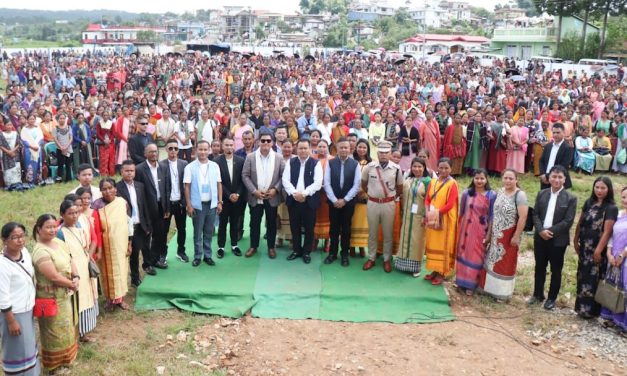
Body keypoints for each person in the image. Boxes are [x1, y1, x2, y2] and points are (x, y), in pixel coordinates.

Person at [31, 214, 79, 373]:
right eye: (48, 227)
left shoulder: (58, 242)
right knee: (52, 332)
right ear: (39, 229)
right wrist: (72, 284)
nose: (52, 230)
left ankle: (66, 359)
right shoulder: (40, 251)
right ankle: (53, 367)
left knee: (66, 329)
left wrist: (76, 276)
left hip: (64, 295)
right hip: (49, 298)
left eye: (54, 226)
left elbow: (71, 260)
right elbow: (53, 276)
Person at [530, 165, 577, 310]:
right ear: (549, 178)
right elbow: (535, 214)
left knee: (556, 270)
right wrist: (541, 230)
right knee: (539, 267)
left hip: (558, 241)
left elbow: (568, 221)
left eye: (560, 177)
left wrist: (548, 231)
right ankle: (538, 294)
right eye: (554, 176)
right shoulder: (542, 194)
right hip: (540, 238)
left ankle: (551, 298)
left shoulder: (571, 198)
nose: (556, 180)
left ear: (565, 179)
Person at [478, 169, 528, 300]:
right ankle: (487, 288)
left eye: (511, 178)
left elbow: (523, 218)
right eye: (505, 178)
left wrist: (516, 236)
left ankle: (501, 293)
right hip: (496, 234)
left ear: (516, 180)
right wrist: (489, 234)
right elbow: (493, 215)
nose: (508, 181)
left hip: (509, 234)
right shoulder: (499, 192)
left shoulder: (520, 195)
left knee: (505, 262)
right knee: (491, 261)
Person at [573, 176, 617, 319]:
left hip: (597, 249)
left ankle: (592, 311)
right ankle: (581, 308)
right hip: (584, 247)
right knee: (582, 276)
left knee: (594, 278)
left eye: (603, 188)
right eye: (597, 187)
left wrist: (598, 250)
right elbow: (580, 222)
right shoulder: (589, 202)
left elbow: (607, 231)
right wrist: (575, 239)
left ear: (608, 189)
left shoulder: (611, 208)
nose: (599, 190)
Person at [0, 222, 40, 376]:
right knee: (16, 350)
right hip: (13, 314)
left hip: (27, 310)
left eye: (22, 236)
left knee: (28, 347)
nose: (20, 240)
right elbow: (2, 296)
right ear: (4, 240)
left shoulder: (25, 252)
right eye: (14, 237)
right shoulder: (2, 264)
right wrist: (11, 321)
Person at [56, 200, 98, 342]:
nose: (74, 216)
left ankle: (84, 332)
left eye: (76, 213)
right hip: (74, 271)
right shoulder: (60, 234)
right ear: (62, 214)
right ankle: (76, 333)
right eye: (70, 213)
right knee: (76, 300)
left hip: (84, 267)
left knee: (86, 297)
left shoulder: (79, 226)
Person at [362, 140, 403, 273]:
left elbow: (400, 187)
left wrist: (391, 197)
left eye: (386, 153)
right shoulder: (369, 167)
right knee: (372, 232)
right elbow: (364, 184)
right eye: (381, 153)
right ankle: (372, 258)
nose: (384, 155)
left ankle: (386, 259)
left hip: (388, 204)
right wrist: (372, 194)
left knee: (388, 233)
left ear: (390, 153)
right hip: (373, 202)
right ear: (377, 153)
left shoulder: (396, 169)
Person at [242, 130, 285, 259]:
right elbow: (245, 175)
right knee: (254, 222)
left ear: (272, 142)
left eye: (268, 141)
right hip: (255, 196)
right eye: (263, 140)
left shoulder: (279, 157)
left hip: (271, 196)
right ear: (258, 142)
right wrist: (254, 191)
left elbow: (283, 176)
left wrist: (275, 190)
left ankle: (271, 247)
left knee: (271, 223)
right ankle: (253, 246)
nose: (265, 143)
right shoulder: (250, 157)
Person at [455, 169, 496, 295]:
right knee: (463, 254)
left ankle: (471, 285)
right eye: (477, 178)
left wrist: (488, 235)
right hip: (465, 230)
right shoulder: (467, 193)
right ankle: (461, 282)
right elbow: (461, 213)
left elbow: (492, 217)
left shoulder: (491, 195)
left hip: (480, 232)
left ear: (486, 179)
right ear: (473, 179)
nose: (479, 181)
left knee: (476, 257)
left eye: (482, 178)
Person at [93, 178, 132, 308]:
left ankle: (120, 299)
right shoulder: (97, 205)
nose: (108, 191)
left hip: (121, 243)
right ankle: (109, 300)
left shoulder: (122, 202)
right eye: (104, 189)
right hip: (104, 246)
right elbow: (95, 228)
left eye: (110, 188)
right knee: (106, 272)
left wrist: (129, 243)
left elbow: (129, 223)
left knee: (120, 270)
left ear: (116, 189)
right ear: (100, 191)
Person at [283, 139, 323, 264]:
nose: (303, 151)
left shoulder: (315, 163)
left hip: (309, 201)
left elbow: (318, 183)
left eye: (305, 148)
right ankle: (296, 250)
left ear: (310, 149)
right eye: (300, 148)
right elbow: (285, 180)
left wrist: (304, 194)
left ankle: (306, 252)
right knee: (294, 227)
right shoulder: (291, 162)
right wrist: (294, 193)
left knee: (309, 228)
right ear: (297, 149)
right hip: (294, 200)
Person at [184, 140, 223, 267]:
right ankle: (197, 256)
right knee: (198, 232)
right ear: (196, 150)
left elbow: (219, 184)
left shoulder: (214, 166)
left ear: (209, 150)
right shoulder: (189, 167)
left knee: (208, 231)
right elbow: (187, 187)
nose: (203, 152)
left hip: (211, 204)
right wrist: (189, 205)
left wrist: (219, 201)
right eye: (200, 149)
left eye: (205, 149)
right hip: (197, 205)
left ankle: (208, 256)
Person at [323, 137, 361, 266]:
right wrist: (334, 200)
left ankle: (344, 254)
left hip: (348, 203)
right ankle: (332, 253)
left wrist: (344, 200)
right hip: (333, 203)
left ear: (350, 149)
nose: (344, 149)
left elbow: (356, 185)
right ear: (337, 149)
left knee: (346, 229)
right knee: (333, 229)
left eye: (346, 147)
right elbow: (326, 183)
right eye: (341, 147)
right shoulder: (331, 163)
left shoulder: (355, 164)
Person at [115, 161, 153, 286]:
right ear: (121, 172)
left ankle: (147, 265)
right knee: (135, 252)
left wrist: (148, 223)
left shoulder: (140, 185)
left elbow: (145, 206)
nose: (130, 173)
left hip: (142, 222)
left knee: (146, 247)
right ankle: (135, 278)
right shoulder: (117, 188)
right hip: (130, 226)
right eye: (127, 171)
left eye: (132, 170)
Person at [424, 158, 459, 285]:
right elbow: (427, 199)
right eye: (441, 167)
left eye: (446, 168)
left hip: (445, 219)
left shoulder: (452, 183)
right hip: (433, 217)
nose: (443, 170)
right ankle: (435, 269)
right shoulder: (433, 181)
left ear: (451, 169)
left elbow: (450, 204)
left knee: (443, 244)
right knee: (433, 242)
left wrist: (436, 213)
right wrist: (428, 212)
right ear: (437, 168)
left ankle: (442, 273)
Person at [396, 157, 431, 276]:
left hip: (419, 216)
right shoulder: (408, 179)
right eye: (414, 166)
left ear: (424, 168)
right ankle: (402, 264)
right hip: (406, 215)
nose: (417, 169)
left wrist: (425, 216)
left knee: (417, 240)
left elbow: (430, 200)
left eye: (419, 167)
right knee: (405, 237)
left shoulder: (427, 181)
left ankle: (416, 267)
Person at [135, 143, 168, 269]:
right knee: (146, 237)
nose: (154, 154)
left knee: (159, 235)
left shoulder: (163, 167)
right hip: (146, 208)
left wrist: (166, 208)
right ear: (145, 154)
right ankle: (147, 264)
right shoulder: (139, 169)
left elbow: (166, 188)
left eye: (155, 151)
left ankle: (155, 260)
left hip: (160, 206)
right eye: (150, 152)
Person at [601, 186, 627, 335]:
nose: (626, 200)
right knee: (613, 286)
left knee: (625, 288)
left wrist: (623, 255)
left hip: (624, 258)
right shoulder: (619, 214)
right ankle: (612, 318)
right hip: (614, 257)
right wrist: (609, 253)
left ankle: (624, 324)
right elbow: (611, 235)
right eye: (624, 197)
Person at [215, 137, 246, 258]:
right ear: (223, 146)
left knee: (235, 223)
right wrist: (228, 195)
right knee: (222, 224)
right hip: (223, 198)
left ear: (234, 146)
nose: (229, 147)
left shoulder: (240, 160)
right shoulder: (217, 161)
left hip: (237, 199)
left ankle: (234, 245)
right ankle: (221, 247)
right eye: (226, 145)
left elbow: (243, 180)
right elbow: (218, 182)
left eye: (231, 145)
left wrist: (237, 194)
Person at [160, 138, 189, 262]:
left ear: (178, 150)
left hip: (180, 203)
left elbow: (187, 185)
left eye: (176, 148)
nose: (173, 151)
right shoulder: (161, 165)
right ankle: (163, 254)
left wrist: (187, 203)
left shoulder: (184, 164)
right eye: (170, 148)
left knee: (182, 229)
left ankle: (181, 251)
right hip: (167, 203)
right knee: (164, 230)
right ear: (166, 149)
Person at [350, 139, 371, 258]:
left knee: (363, 222)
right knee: (351, 222)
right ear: (356, 148)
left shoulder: (371, 163)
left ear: (368, 149)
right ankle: (351, 246)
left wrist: (363, 190)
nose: (362, 149)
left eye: (364, 147)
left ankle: (362, 246)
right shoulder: (351, 161)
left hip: (364, 196)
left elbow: (372, 180)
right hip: (351, 196)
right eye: (360, 147)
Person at [539, 123, 573, 190]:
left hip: (558, 180)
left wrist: (548, 176)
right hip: (545, 180)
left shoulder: (567, 148)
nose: (555, 135)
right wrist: (542, 174)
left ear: (563, 133)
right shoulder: (548, 146)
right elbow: (541, 161)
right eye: (554, 132)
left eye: (558, 132)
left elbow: (563, 166)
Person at [313, 139, 332, 252]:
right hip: (315, 194)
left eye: (324, 146)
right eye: (320, 146)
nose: (322, 149)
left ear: (327, 147)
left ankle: (327, 241)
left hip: (327, 195)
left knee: (328, 218)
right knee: (315, 218)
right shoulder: (312, 159)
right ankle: (314, 240)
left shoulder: (333, 160)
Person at [0, 120, 23, 190]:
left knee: (16, 169)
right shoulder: (1, 134)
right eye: (8, 125)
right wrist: (8, 152)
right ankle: (9, 185)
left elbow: (19, 143)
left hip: (15, 154)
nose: (9, 126)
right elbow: (0, 145)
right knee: (8, 170)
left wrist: (12, 151)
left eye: (11, 125)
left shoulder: (15, 133)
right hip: (5, 155)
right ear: (4, 125)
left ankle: (17, 184)